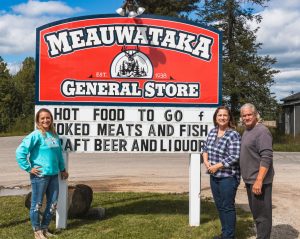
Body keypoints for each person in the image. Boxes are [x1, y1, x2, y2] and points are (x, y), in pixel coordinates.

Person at [16, 108, 69, 239]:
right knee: (37, 204)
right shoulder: (35, 135)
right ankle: (37, 231)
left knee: (52, 203)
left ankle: (45, 229)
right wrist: (28, 168)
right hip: (39, 176)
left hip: (53, 175)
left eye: (48, 118)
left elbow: (58, 155)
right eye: (42, 118)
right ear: (38, 121)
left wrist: (62, 169)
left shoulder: (54, 135)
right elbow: (20, 152)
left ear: (51, 119)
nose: (45, 120)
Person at [203, 106, 241, 239]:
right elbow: (205, 148)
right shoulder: (212, 132)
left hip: (228, 177)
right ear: (216, 117)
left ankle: (229, 236)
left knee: (227, 206)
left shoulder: (233, 134)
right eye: (220, 115)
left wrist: (217, 166)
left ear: (229, 118)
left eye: (225, 115)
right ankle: (225, 233)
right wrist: (206, 162)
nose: (222, 117)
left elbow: (234, 156)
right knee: (219, 206)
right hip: (214, 176)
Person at [240, 103, 274, 239]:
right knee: (256, 213)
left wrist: (259, 180)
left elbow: (266, 157)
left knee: (262, 216)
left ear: (255, 115)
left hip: (259, 181)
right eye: (244, 115)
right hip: (250, 180)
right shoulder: (247, 130)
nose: (247, 117)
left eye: (249, 114)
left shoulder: (262, 131)